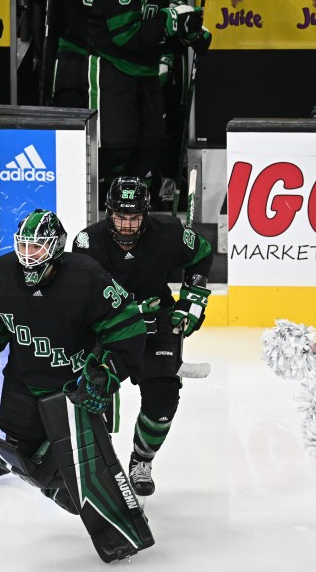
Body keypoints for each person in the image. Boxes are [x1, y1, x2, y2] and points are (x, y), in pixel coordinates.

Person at [0, 209, 154, 562]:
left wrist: (109, 370)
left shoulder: (85, 277)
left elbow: (127, 326)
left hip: (76, 390)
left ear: (55, 249)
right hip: (24, 386)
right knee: (31, 466)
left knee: (86, 474)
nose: (29, 255)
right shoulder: (0, 275)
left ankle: (118, 518)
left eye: (38, 248)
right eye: (24, 246)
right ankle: (66, 486)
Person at [70, 176, 212, 495]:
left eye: (135, 217)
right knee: (93, 392)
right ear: (109, 213)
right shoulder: (86, 243)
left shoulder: (170, 233)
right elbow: (79, 296)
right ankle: (95, 463)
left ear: (145, 215)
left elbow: (201, 254)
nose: (127, 225)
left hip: (156, 323)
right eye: (121, 216)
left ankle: (142, 460)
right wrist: (126, 310)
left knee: (163, 401)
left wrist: (192, 301)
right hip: (107, 328)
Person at [87, 0, 208, 189]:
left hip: (147, 72)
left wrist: (188, 30)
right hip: (114, 68)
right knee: (116, 147)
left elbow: (159, 17)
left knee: (149, 145)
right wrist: (169, 22)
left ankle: (139, 209)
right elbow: (125, 36)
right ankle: (110, 206)